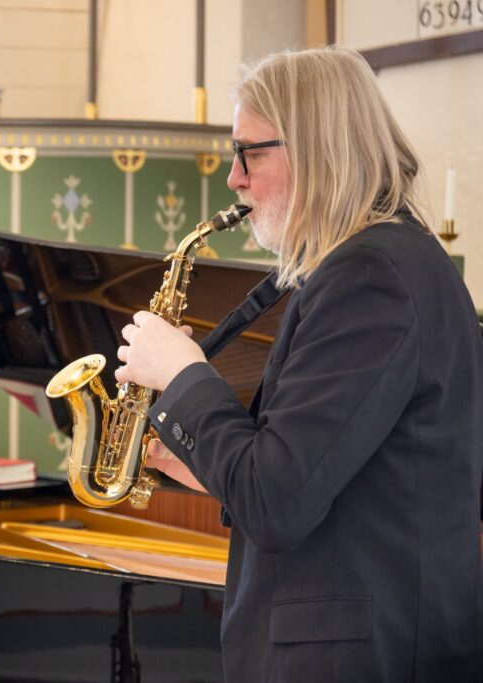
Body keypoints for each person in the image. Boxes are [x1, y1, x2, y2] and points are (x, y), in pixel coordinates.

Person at [115, 46, 482, 681]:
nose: (233, 177)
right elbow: (325, 484)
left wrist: (181, 372)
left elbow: (276, 501)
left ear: (315, 149)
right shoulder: (386, 262)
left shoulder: (372, 277)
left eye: (249, 151)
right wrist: (201, 463)